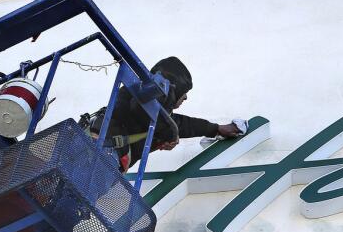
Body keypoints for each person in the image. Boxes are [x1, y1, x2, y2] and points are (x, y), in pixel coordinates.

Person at [83, 56, 241, 171]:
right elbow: (162, 121)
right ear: (171, 88)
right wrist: (170, 134)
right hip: (101, 154)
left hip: (94, 150)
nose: (185, 97)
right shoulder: (143, 100)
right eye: (183, 91)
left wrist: (215, 128)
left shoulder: (142, 100)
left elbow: (177, 123)